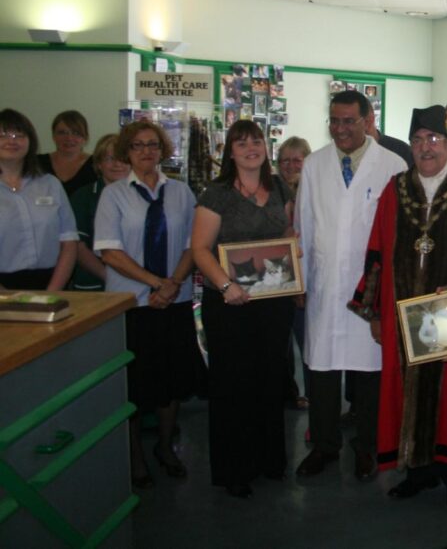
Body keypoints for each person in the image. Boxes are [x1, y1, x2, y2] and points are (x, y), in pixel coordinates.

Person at [348, 105, 447, 504]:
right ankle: (417, 471)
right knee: (406, 390)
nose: (425, 147)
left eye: (434, 139)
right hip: (404, 311)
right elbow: (377, 249)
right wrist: (376, 310)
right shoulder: (396, 187)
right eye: (418, 140)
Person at [294, 93, 406, 481]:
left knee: (369, 373)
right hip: (325, 281)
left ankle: (367, 447)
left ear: (368, 120)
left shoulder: (393, 165)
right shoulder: (314, 164)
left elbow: (398, 235)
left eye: (348, 121)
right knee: (321, 370)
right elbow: (303, 224)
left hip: (370, 286)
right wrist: (301, 279)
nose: (340, 129)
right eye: (334, 121)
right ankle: (325, 445)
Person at [94, 121, 204, 489]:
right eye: (139, 146)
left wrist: (172, 284)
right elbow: (110, 251)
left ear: (163, 150)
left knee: (171, 381)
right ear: (127, 151)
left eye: (153, 145)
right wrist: (157, 283)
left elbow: (194, 245)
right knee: (136, 384)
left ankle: (165, 446)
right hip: (133, 302)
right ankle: (135, 456)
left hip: (175, 300)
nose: (147, 152)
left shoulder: (181, 192)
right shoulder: (113, 196)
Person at [191, 120, 296, 499]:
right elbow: (200, 248)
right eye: (241, 143)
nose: (251, 148)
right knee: (233, 385)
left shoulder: (279, 186)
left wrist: (293, 251)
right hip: (230, 303)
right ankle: (235, 469)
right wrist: (225, 285)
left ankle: (270, 461)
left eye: (256, 141)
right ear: (229, 151)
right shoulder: (216, 194)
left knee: (270, 380)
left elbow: (285, 234)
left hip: (273, 302)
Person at [0, 109, 78, 291]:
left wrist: (51, 293)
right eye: (3, 135)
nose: (12, 141)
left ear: (30, 141)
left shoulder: (50, 184)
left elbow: (69, 241)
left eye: (18, 135)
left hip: (51, 283)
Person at [276, 136, 312, 409]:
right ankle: (287, 392)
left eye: (296, 160)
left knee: (307, 342)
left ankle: (313, 396)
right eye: (284, 160)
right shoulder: (270, 193)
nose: (290, 166)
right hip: (275, 281)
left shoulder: (312, 192)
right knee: (280, 344)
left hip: (305, 278)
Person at [69, 133, 130, 291]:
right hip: (94, 283)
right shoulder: (83, 197)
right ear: (99, 164)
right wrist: (110, 278)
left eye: (123, 159)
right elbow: (78, 247)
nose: (117, 164)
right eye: (109, 158)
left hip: (135, 283)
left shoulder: (141, 196)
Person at [37, 110, 98, 197]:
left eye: (76, 133)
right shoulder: (37, 163)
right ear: (53, 136)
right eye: (62, 133)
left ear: (85, 137)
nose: (69, 138)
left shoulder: (97, 164)